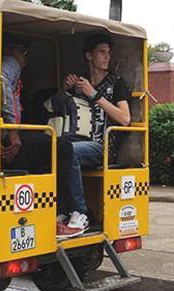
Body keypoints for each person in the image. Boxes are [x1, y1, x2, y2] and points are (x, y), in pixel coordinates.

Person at [0, 34, 80, 239]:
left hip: (1, 137)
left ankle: (42, 213)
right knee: (62, 148)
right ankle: (56, 218)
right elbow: (3, 80)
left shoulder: (14, 68)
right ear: (11, 51)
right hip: (6, 137)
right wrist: (13, 131)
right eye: (23, 52)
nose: (25, 58)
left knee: (44, 160)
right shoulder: (10, 64)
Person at [59, 34, 131, 232]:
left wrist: (95, 95)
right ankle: (62, 210)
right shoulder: (81, 84)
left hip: (104, 146)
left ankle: (80, 213)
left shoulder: (116, 83)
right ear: (89, 56)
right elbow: (59, 108)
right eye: (101, 52)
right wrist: (65, 89)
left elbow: (125, 118)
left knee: (69, 151)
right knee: (56, 146)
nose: (107, 57)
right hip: (80, 139)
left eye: (108, 53)